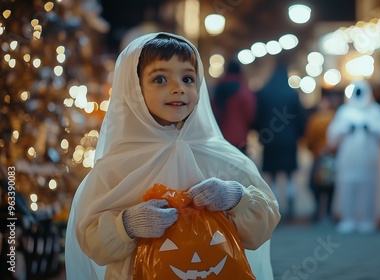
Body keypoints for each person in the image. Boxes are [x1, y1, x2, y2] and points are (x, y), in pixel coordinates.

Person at [65, 33, 280, 280]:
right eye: (159, 79)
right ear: (134, 88)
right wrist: (127, 225)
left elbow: (264, 225)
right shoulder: (116, 166)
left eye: (188, 78)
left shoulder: (222, 157)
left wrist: (236, 198)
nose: (178, 88)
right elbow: (92, 242)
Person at [327, 80, 380, 233]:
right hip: (348, 164)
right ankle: (349, 218)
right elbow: (332, 136)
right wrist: (345, 129)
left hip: (370, 165)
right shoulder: (345, 112)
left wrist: (372, 127)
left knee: (369, 191)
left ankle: (368, 219)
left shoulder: (376, 111)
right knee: (347, 190)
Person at [253, 61, 306, 219]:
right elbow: (300, 118)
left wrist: (260, 134)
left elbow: (258, 117)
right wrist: (299, 135)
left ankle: (275, 209)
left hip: (270, 141)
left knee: (273, 175)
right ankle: (290, 207)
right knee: (290, 174)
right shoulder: (292, 94)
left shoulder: (264, 93)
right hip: (289, 141)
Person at [303, 93, 336, 223]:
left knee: (315, 185)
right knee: (330, 186)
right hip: (331, 157)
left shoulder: (314, 119)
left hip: (318, 156)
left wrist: (315, 151)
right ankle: (328, 212)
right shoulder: (335, 118)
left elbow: (309, 139)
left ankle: (318, 210)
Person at [212, 59, 256, 153]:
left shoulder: (218, 88)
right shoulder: (243, 91)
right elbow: (250, 114)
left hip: (218, 136)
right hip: (239, 138)